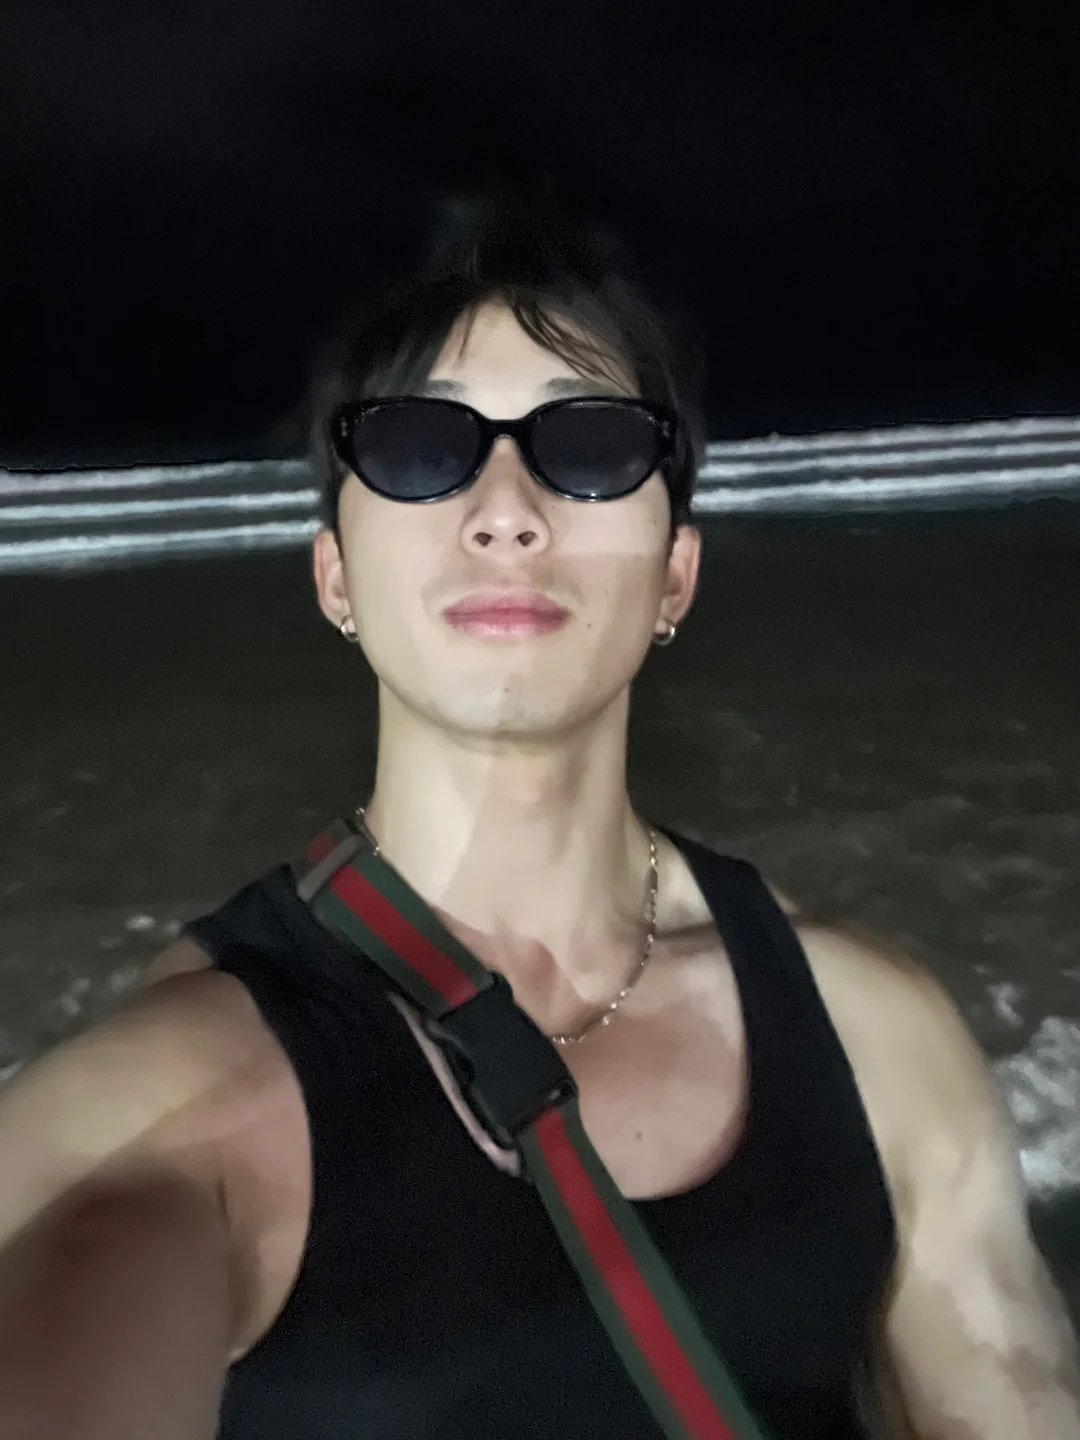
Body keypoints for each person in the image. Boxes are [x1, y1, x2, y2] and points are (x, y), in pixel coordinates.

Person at [0, 195, 1077, 1440]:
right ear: (335, 575)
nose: (505, 507)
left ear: (675, 574)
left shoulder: (875, 1036)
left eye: (590, 444)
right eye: (419, 446)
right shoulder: (179, 1103)